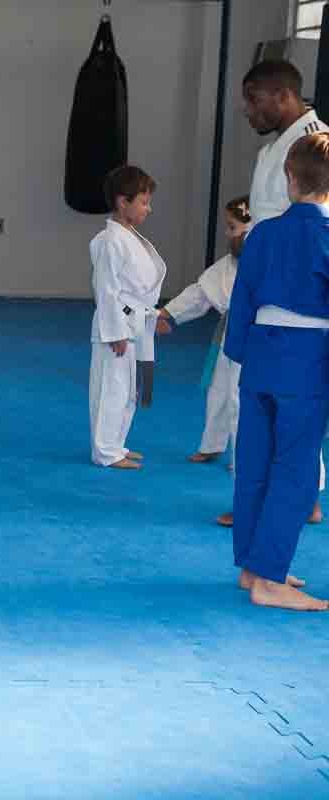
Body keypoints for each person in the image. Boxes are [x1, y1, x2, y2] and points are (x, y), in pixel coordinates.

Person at [217, 58, 329, 527]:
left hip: (295, 295)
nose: (248, 110)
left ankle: (300, 497)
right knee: (259, 404)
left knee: (291, 407)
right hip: (263, 282)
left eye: (254, 99)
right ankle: (273, 498)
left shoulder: (315, 142)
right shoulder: (273, 149)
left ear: (283, 95)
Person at [223, 131, 329, 612]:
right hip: (307, 361)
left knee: (255, 464)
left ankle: (252, 565)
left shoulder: (262, 233)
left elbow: (242, 298)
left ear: (289, 177)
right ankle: (269, 578)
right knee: (297, 471)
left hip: (261, 356)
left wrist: (241, 353)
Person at [155, 196, 252, 464]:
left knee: (240, 397)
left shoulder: (271, 262)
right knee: (219, 391)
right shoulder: (227, 265)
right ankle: (212, 444)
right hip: (229, 335)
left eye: (232, 227)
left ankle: (244, 457)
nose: (227, 234)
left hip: (256, 339)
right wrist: (167, 313)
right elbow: (200, 294)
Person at [88, 165, 166, 469]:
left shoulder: (128, 237)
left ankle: (116, 444)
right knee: (112, 388)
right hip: (118, 326)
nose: (149, 208)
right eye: (144, 202)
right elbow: (106, 290)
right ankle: (105, 451)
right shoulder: (111, 241)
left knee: (131, 390)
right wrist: (116, 332)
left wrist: (152, 317)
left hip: (136, 323)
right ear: (123, 202)